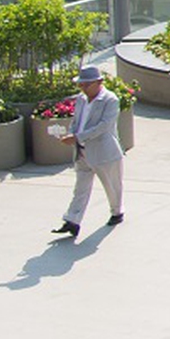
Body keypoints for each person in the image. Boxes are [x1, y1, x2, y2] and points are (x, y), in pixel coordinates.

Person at [53, 65, 124, 239]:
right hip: (82, 152)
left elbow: (104, 126)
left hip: (104, 153)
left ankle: (117, 212)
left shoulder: (110, 100)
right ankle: (72, 220)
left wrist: (77, 137)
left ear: (99, 82)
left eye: (86, 84)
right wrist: (72, 134)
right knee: (81, 188)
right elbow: (76, 121)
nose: (83, 88)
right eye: (81, 84)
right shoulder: (81, 99)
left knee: (112, 186)